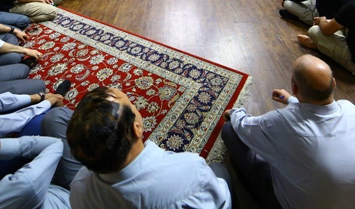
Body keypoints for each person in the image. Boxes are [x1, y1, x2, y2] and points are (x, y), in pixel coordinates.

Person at [222, 55, 355, 209]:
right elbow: (317, 113)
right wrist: (291, 100)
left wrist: (235, 113)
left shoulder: (285, 121)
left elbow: (245, 126)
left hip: (289, 204)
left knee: (229, 130)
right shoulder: (351, 110)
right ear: (334, 83)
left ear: (294, 88)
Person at [67, 87, 232, 208]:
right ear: (136, 128)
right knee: (219, 169)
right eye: (132, 104)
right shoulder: (192, 171)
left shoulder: (78, 189)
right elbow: (222, 202)